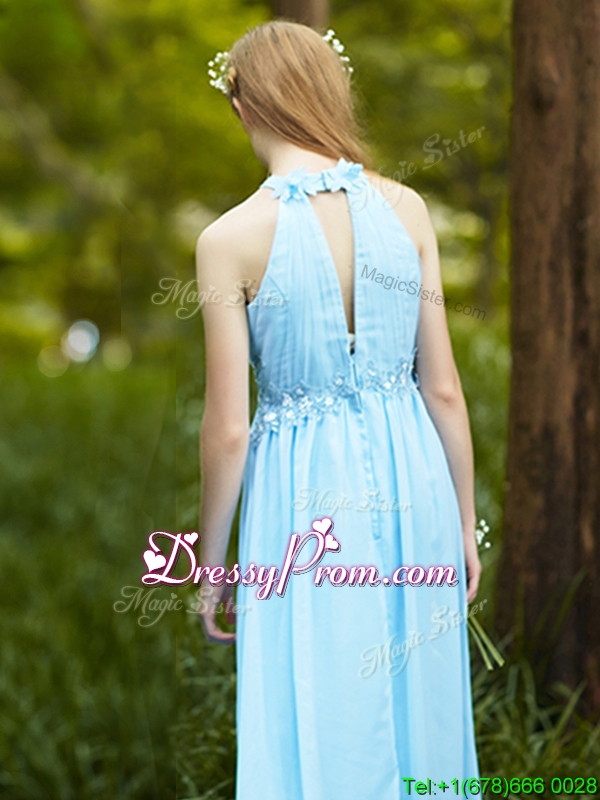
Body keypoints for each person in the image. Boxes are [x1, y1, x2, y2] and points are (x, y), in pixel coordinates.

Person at [197, 20, 481, 799]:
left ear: (242, 106)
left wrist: (213, 564)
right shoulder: (408, 209)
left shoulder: (227, 240)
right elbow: (443, 387)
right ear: (332, 93)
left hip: (301, 499)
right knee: (418, 692)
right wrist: (463, 522)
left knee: (318, 697)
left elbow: (227, 429)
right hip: (415, 476)